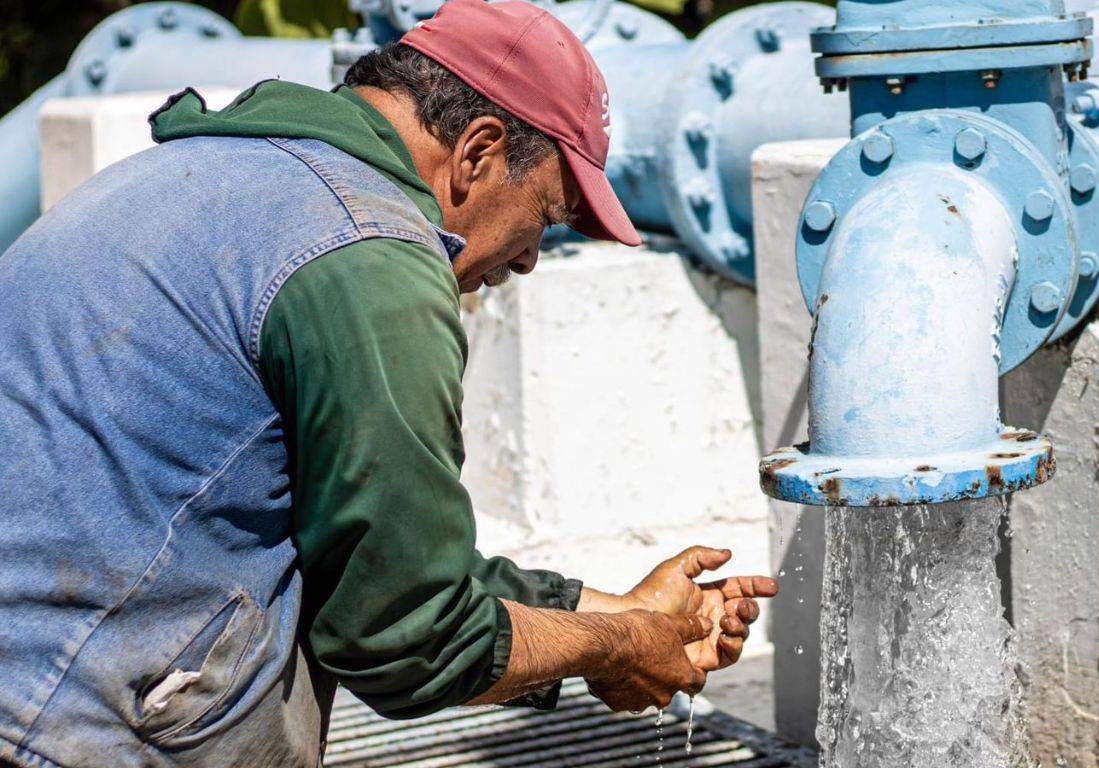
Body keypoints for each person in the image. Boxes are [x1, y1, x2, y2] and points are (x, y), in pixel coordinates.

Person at [0, 1, 776, 765]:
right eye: (545, 214)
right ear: (477, 152)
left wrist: (614, 610)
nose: (533, 258)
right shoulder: (372, 256)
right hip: (55, 727)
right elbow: (407, 638)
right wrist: (617, 647)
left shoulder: (199, 171)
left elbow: (372, 562)